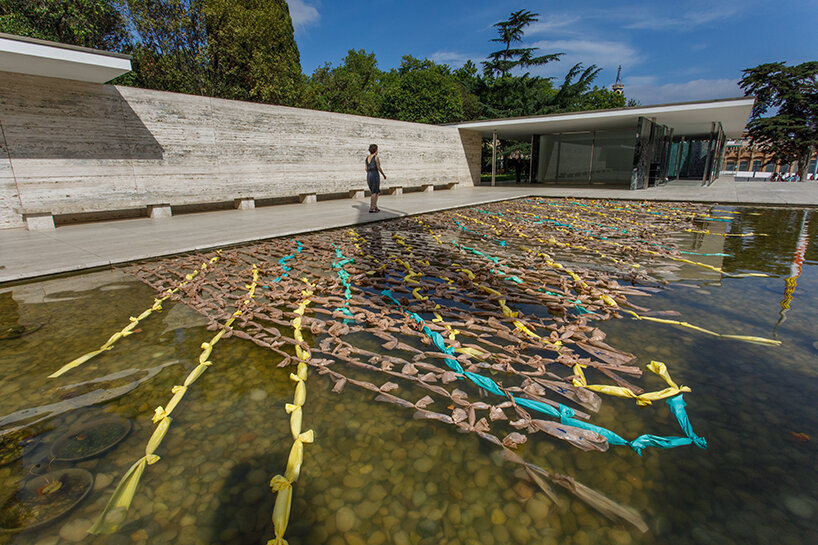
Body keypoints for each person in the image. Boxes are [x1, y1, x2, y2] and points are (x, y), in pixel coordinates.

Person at [365, 144, 386, 213]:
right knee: (375, 192)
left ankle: (375, 206)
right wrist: (383, 175)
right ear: (375, 150)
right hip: (374, 174)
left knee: (374, 191)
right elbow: (378, 167)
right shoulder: (376, 157)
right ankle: (372, 207)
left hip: (369, 175)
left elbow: (366, 168)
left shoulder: (367, 158)